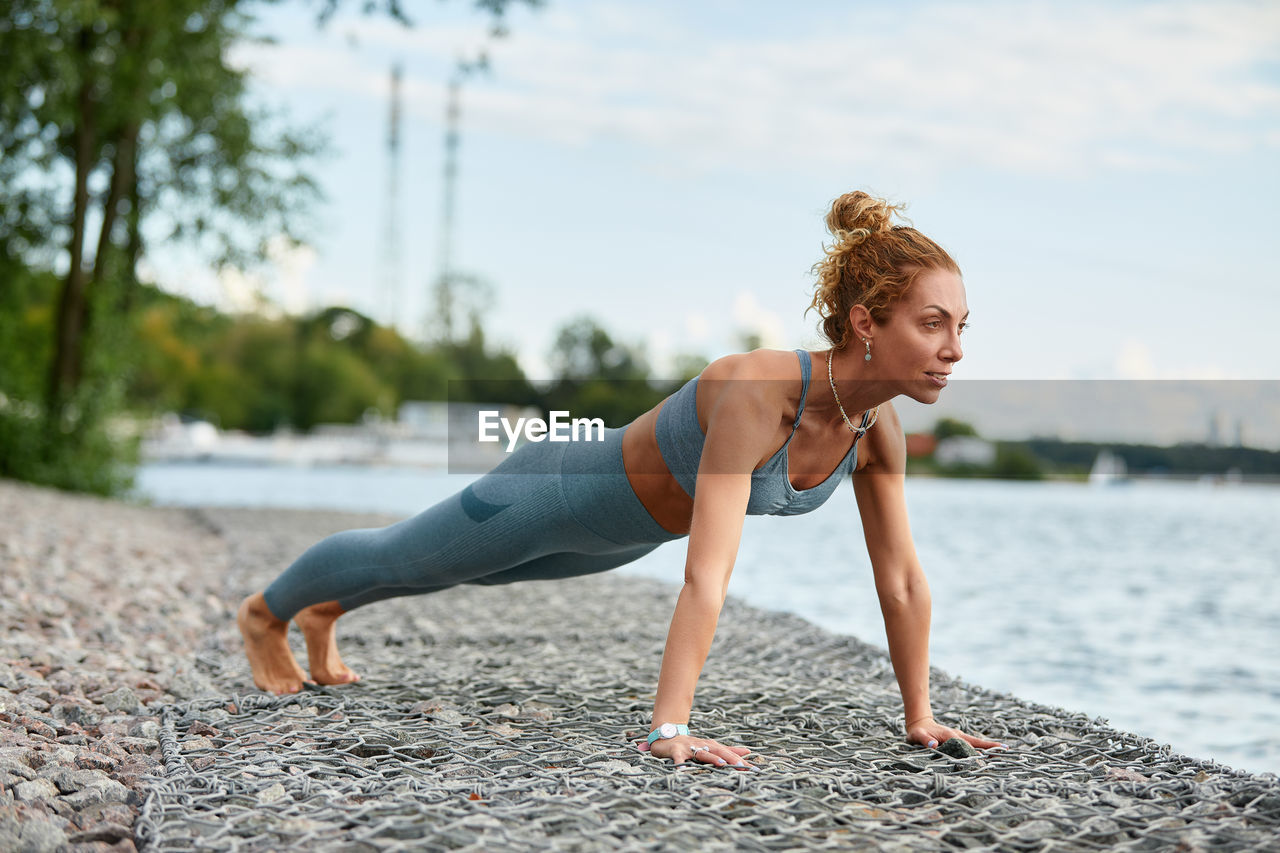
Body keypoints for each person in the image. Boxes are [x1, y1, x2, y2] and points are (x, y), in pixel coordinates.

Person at [238, 190, 1001, 770]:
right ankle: (267, 615)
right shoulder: (758, 392)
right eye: (932, 323)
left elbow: (900, 579)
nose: (954, 348)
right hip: (561, 487)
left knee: (455, 573)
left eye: (961, 326)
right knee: (408, 553)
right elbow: (708, 574)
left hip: (619, 536)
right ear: (867, 322)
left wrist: (920, 714)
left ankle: (324, 612)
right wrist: (670, 725)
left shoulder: (875, 431)